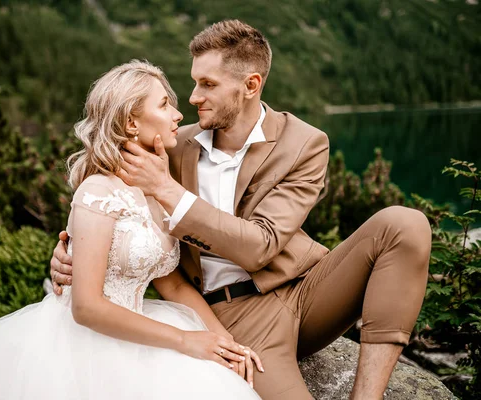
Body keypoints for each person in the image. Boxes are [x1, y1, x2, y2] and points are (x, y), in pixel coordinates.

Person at [51, 20, 432, 399]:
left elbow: (260, 246)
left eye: (208, 84)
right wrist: (71, 254)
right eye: (195, 81)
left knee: (405, 223)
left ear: (251, 85)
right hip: (233, 312)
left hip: (306, 288)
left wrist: (168, 190)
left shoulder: (305, 143)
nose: (193, 98)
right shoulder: (167, 145)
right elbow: (109, 208)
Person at [0, 60, 262, 400]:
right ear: (131, 121)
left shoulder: (157, 189)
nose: (178, 115)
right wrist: (185, 340)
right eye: (164, 105)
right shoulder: (97, 191)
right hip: (85, 346)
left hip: (143, 327)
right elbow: (86, 307)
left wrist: (226, 344)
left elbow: (173, 284)